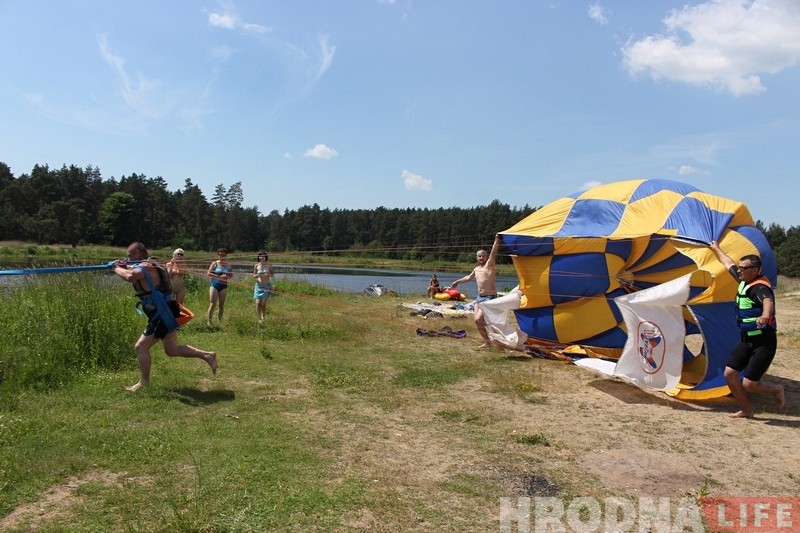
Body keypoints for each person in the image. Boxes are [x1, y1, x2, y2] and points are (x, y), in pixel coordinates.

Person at [112, 241, 217, 392]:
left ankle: (144, 383)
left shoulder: (147, 267)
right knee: (171, 350)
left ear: (137, 254)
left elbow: (130, 276)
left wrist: (116, 268)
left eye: (129, 256)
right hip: (166, 311)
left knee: (141, 346)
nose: (128, 259)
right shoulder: (148, 265)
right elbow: (131, 270)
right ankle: (208, 355)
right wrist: (122, 265)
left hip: (161, 314)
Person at [709, 241, 785, 418]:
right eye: (740, 267)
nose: (740, 270)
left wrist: (765, 316)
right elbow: (728, 263)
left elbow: (768, 301)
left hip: (763, 342)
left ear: (755, 269)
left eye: (744, 268)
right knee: (729, 375)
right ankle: (746, 409)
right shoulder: (744, 278)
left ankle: (776, 390)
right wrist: (716, 249)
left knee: (750, 385)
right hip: (746, 339)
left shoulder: (759, 287)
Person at [449, 234, 502, 347]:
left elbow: (494, 252)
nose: (481, 258)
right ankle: (488, 342)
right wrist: (457, 282)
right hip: (479, 297)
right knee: (477, 321)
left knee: (479, 319)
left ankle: (496, 341)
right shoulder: (477, 269)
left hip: (489, 297)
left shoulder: (489, 265)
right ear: (476, 257)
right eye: (479, 256)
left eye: (483, 256)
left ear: (486, 257)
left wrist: (497, 240)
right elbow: (468, 277)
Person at [207, 248, 233, 326]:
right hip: (214, 285)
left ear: (226, 255)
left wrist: (227, 276)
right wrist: (218, 276)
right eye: (220, 255)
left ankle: (220, 321)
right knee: (212, 303)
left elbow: (231, 275)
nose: (222, 256)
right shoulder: (215, 263)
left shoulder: (228, 265)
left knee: (221, 304)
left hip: (224, 285)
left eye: (223, 255)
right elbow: (208, 273)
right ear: (218, 255)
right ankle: (209, 321)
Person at [253, 251, 275, 324]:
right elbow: (254, 275)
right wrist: (256, 276)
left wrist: (268, 275)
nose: (262, 257)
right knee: (258, 303)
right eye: (260, 256)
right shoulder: (256, 265)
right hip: (258, 286)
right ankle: (259, 318)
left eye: (263, 256)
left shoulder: (269, 265)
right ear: (258, 257)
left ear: (266, 257)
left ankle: (263, 316)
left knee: (263, 304)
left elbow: (273, 275)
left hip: (266, 286)